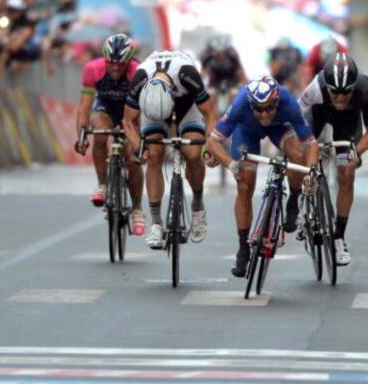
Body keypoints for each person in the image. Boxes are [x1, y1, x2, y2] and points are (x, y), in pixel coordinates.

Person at [204, 75, 319, 278]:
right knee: (244, 187)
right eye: (258, 108)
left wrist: (309, 173)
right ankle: (243, 248)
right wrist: (231, 164)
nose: (264, 113)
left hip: (279, 128)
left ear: (276, 102)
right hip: (247, 131)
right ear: (250, 105)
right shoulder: (240, 104)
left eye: (269, 108)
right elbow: (213, 142)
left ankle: (293, 199)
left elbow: (311, 144)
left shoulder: (288, 102)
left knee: (298, 155)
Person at [123, 49, 217, 249]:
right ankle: (156, 223)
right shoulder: (140, 78)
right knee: (155, 154)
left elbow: (209, 114)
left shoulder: (187, 73)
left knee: (192, 153)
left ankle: (198, 205)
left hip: (187, 105)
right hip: (152, 108)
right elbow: (128, 121)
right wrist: (139, 147)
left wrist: (209, 145)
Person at [297, 53, 368, 266]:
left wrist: (356, 152)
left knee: (346, 172)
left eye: (346, 93)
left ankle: (339, 237)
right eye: (335, 92)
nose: (341, 98)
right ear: (327, 87)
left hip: (347, 124)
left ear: (354, 87)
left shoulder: (364, 88)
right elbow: (297, 124)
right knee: (303, 153)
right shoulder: (314, 89)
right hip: (318, 114)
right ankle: (303, 204)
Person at [75, 33, 146, 236]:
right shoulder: (93, 69)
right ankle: (102, 184)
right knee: (99, 134)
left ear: (129, 61)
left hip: (130, 111)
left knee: (132, 158)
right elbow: (84, 107)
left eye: (120, 64)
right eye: (111, 63)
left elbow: (143, 111)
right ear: (104, 59)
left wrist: (138, 139)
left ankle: (137, 208)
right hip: (104, 107)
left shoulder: (138, 73)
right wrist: (81, 136)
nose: (115, 68)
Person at [199, 33, 247, 107]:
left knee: (234, 94)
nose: (221, 56)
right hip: (215, 80)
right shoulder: (207, 56)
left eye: (223, 53)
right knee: (210, 95)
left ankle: (232, 112)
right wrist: (198, 85)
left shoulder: (233, 54)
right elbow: (202, 72)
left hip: (231, 78)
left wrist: (245, 85)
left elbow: (240, 71)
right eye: (218, 54)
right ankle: (213, 114)